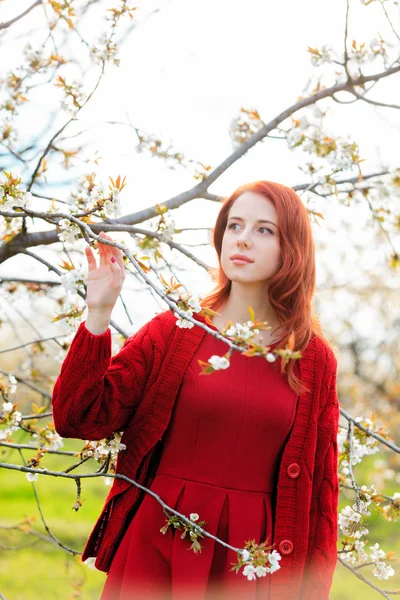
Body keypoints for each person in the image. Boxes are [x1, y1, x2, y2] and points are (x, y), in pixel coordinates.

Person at [52, 180, 340, 600]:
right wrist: (98, 312)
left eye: (264, 230)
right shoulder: (174, 331)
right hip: (157, 544)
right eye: (235, 225)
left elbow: (318, 495)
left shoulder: (313, 359)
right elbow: (79, 417)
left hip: (249, 560)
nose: (242, 238)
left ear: (290, 248)